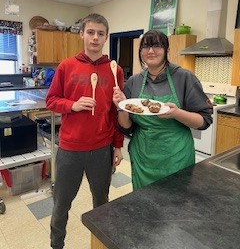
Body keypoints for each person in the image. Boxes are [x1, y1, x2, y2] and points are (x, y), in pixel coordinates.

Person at [46, 13, 124, 249]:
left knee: (101, 202)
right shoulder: (67, 66)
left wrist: (118, 145)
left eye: (101, 34)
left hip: (102, 148)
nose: (95, 38)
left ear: (105, 37)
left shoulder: (114, 70)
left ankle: (100, 243)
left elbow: (115, 112)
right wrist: (72, 105)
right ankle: (56, 244)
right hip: (71, 149)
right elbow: (51, 100)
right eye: (90, 32)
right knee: (62, 203)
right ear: (82, 34)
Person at [113, 29, 213, 190]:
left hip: (176, 157)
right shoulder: (134, 82)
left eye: (157, 46)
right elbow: (127, 127)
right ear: (140, 51)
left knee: (175, 207)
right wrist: (121, 107)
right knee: (143, 204)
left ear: (166, 49)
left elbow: (204, 121)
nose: (151, 51)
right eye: (145, 47)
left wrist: (177, 113)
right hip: (143, 157)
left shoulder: (184, 78)